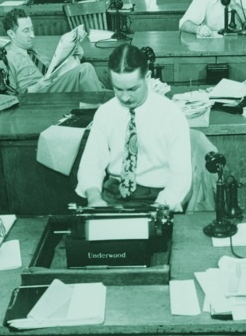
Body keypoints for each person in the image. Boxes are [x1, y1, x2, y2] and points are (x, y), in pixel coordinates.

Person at [76, 43, 191, 212]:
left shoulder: (171, 115)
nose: (125, 97)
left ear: (147, 77)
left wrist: (161, 207)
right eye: (118, 89)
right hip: (112, 195)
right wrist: (94, 198)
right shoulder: (105, 112)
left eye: (132, 89)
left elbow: (181, 176)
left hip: (157, 197)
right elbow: (91, 164)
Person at [0, 8, 105, 93]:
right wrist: (37, 86)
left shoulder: (36, 52)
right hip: (36, 97)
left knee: (105, 89)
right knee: (86, 69)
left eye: (32, 29)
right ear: (11, 34)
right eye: (26, 31)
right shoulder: (6, 58)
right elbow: (11, 94)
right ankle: (101, 110)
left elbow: (58, 69)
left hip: (53, 87)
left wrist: (76, 56)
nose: (32, 35)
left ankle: (101, 105)